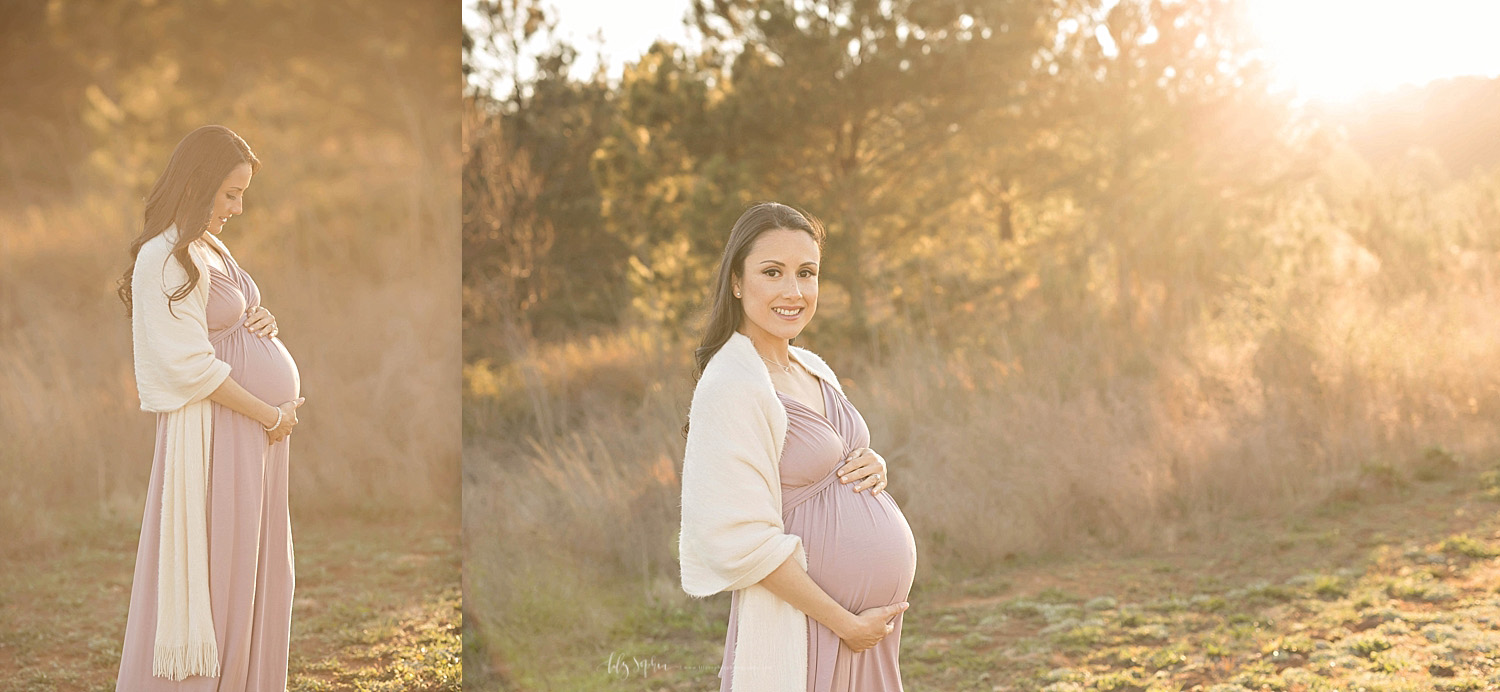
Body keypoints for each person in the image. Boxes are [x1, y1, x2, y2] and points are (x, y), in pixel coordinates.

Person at [678, 202, 918, 692]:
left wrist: (874, 466)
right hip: (814, 630)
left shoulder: (810, 366)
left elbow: (829, 465)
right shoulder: (731, 384)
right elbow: (739, 542)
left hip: (864, 632)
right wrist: (845, 624)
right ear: (737, 282)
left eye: (806, 273)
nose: (794, 291)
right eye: (773, 273)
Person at [114, 125, 304, 691]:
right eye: (229, 194)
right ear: (196, 184)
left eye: (242, 193)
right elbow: (188, 366)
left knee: (256, 571)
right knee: (222, 569)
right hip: (220, 438)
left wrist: (264, 319)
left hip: (256, 436)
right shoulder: (161, 257)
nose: (238, 208)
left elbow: (231, 322)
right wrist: (270, 415)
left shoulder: (208, 246)